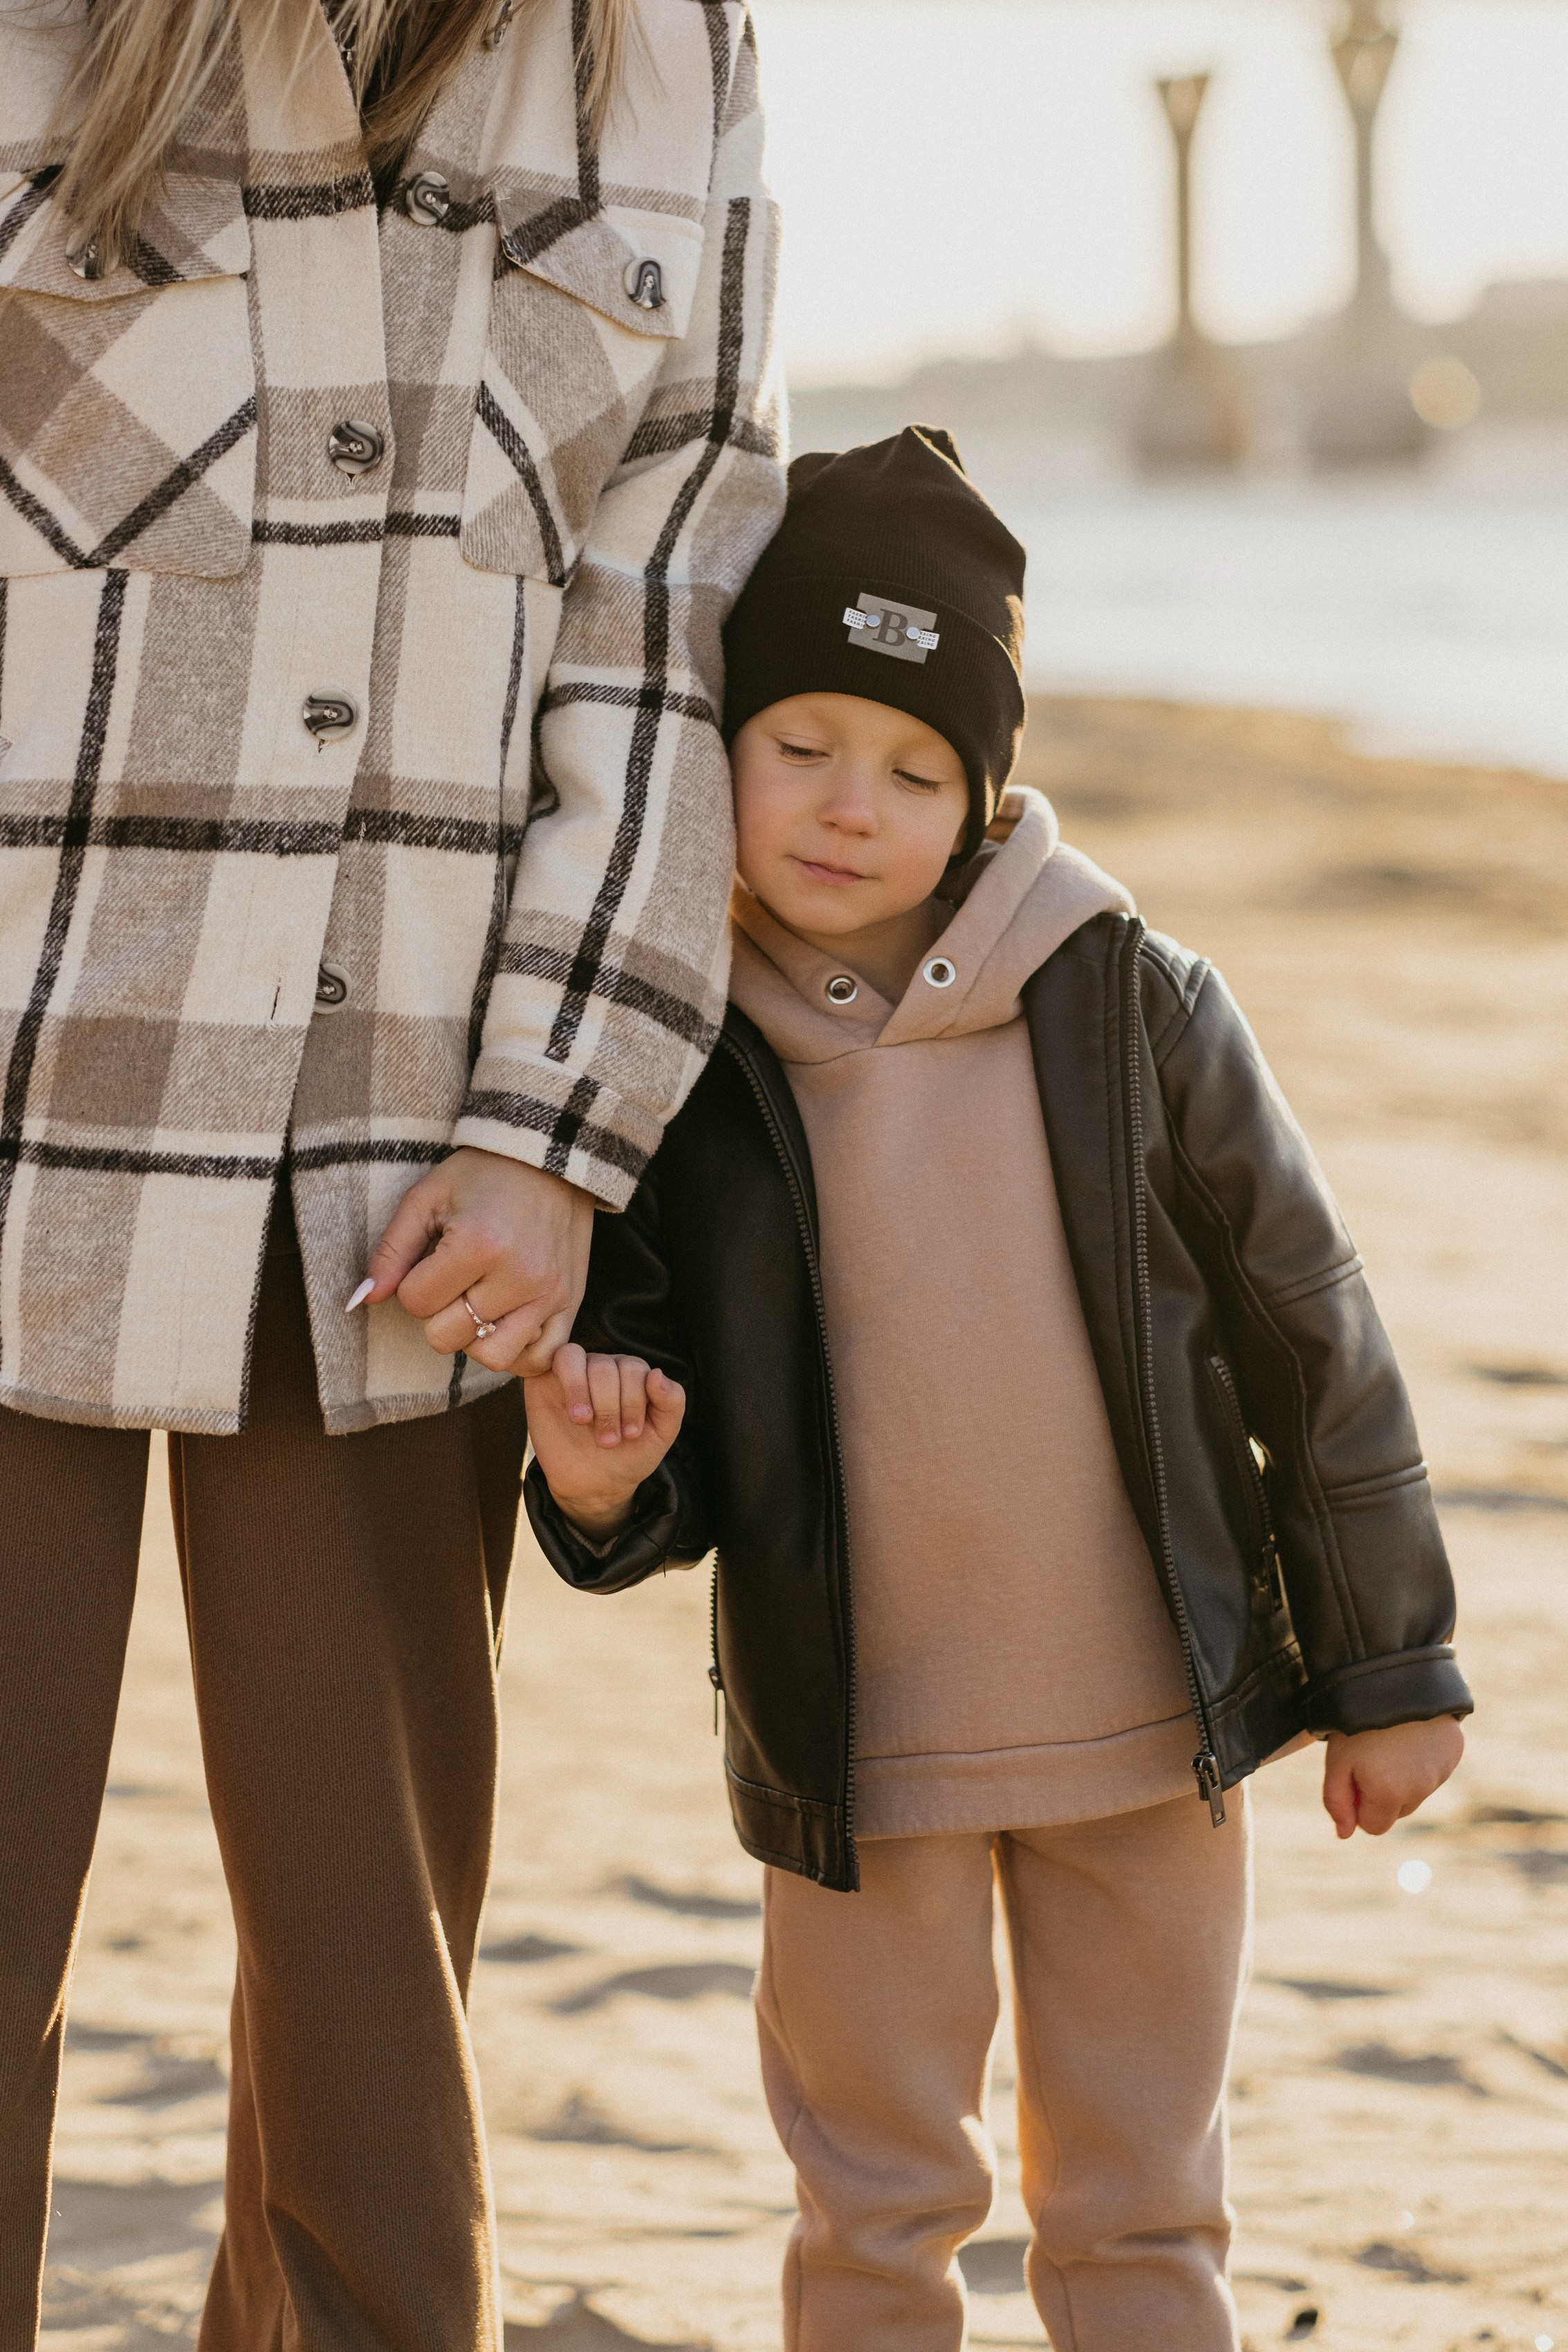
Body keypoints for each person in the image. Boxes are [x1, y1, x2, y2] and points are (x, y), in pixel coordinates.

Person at [521, 428, 1472, 2352]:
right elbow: (669, 1445)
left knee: (1135, 2208)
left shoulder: (1128, 997)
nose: (848, 805)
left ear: (981, 794)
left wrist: (1388, 1671)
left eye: (913, 766)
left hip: (1147, 1727)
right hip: (855, 1754)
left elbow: (1313, 1328)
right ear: (716, 747)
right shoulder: (670, 1057)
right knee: (873, 2208)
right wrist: (602, 1482)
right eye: (800, 744)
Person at [0, 0, 782, 2337]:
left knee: (372, 2049)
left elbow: (667, 632)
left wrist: (555, 1131)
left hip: (396, 1188)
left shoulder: (661, 52)